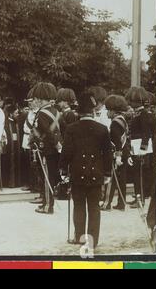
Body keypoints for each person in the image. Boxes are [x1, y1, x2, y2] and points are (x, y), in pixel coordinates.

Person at [60, 90, 113, 249]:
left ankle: (80, 238)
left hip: (77, 174)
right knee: (94, 207)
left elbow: (66, 152)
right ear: (93, 110)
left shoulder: (71, 128)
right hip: (97, 174)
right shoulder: (102, 129)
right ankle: (93, 241)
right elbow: (108, 154)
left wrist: (63, 170)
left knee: (79, 206)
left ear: (78, 111)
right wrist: (107, 173)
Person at [29, 82, 61, 214]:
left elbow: (45, 132)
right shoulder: (56, 111)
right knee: (51, 177)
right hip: (54, 149)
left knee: (47, 178)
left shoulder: (42, 113)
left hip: (46, 150)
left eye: (36, 99)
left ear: (41, 99)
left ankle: (48, 206)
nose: (35, 101)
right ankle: (47, 203)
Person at [125, 86, 156, 208]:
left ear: (137, 101)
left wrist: (142, 150)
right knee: (136, 173)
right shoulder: (139, 113)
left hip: (140, 149)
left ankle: (141, 199)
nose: (130, 103)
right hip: (135, 146)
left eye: (132, 101)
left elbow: (146, 133)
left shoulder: (143, 114)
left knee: (140, 174)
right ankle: (138, 197)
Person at [101, 95, 130, 211]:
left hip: (117, 154)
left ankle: (106, 204)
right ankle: (121, 203)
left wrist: (118, 156)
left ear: (113, 111)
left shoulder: (115, 123)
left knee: (111, 180)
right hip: (124, 153)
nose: (107, 112)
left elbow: (117, 141)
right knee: (122, 179)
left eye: (108, 110)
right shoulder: (122, 120)